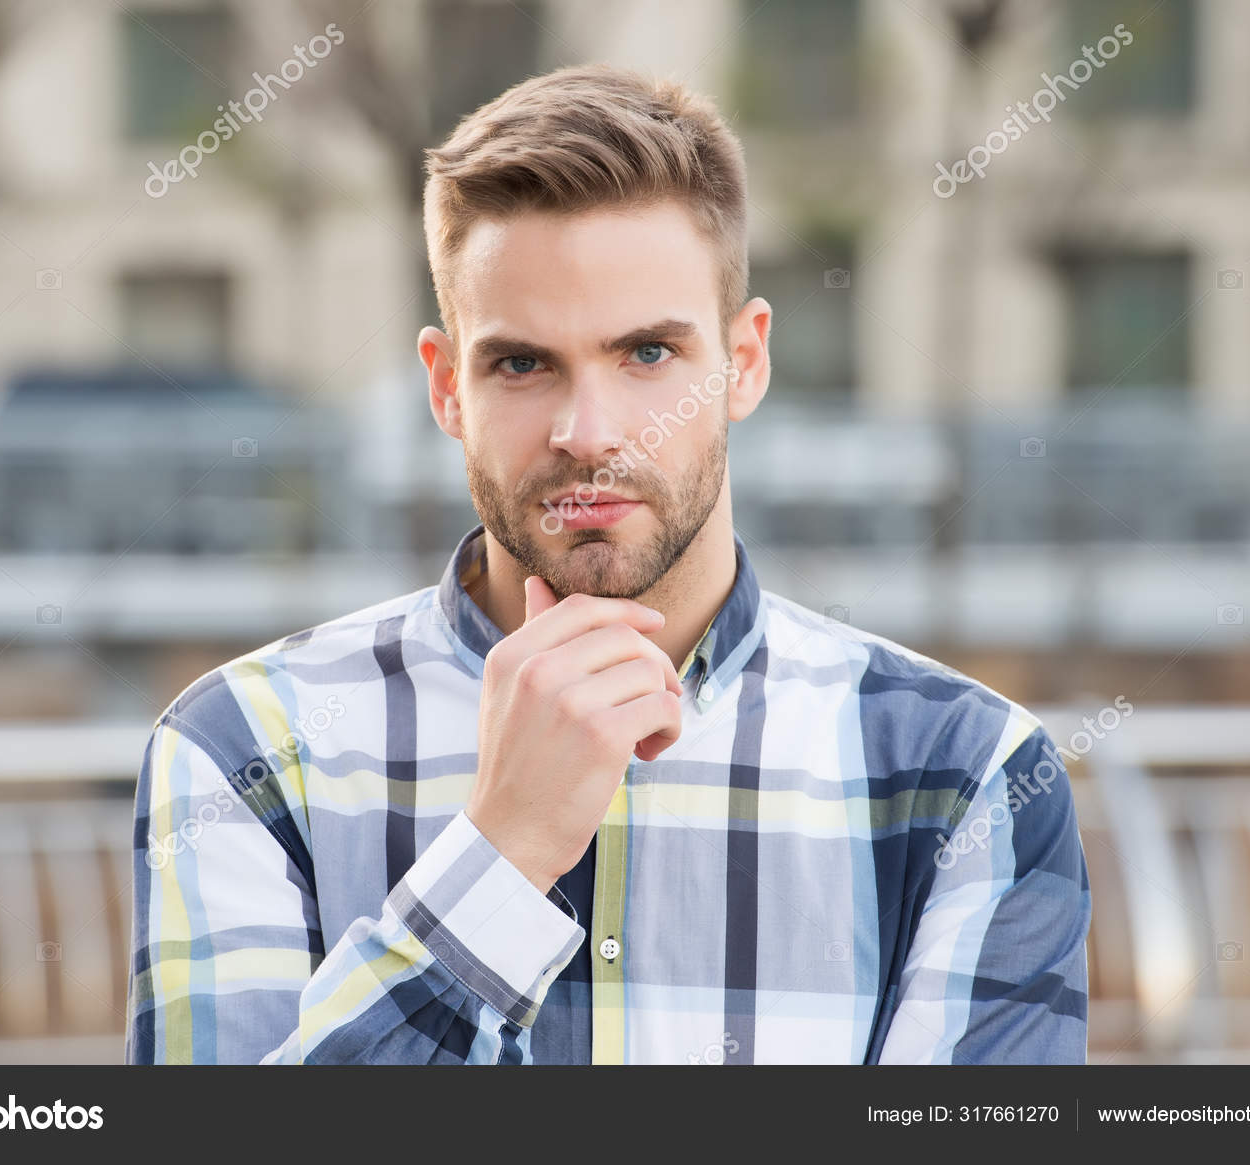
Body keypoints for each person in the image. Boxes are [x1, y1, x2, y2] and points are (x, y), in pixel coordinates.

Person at [125, 63, 1091, 1065]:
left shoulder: (968, 779)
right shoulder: (243, 752)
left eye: (645, 355)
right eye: (520, 363)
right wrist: (500, 855)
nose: (587, 433)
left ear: (743, 362)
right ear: (447, 388)